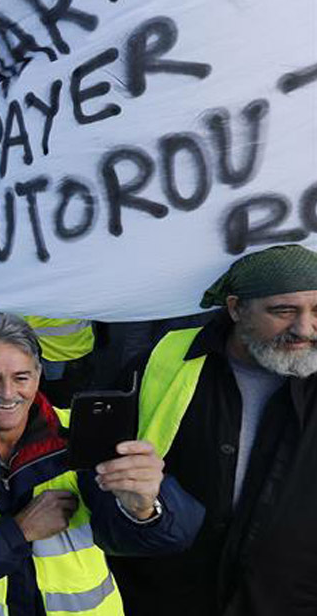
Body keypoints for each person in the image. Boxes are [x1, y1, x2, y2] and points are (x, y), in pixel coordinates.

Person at [0, 314, 204, 616]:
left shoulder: (79, 434)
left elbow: (164, 537)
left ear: (39, 375)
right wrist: (19, 531)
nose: (7, 393)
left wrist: (144, 510)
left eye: (21, 378)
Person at [108, 245, 317, 616]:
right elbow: (99, 484)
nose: (304, 328)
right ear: (235, 308)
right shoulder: (159, 363)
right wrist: (140, 508)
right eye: (283, 311)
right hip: (167, 595)